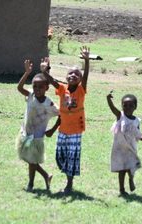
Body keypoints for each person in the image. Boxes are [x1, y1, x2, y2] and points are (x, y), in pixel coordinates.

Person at [41, 46, 90, 194]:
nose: (73, 75)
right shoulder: (62, 89)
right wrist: (44, 71)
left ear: (80, 79)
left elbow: (86, 75)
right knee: (59, 155)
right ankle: (67, 172)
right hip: (63, 130)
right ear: (66, 77)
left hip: (76, 130)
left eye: (77, 74)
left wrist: (86, 61)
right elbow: (52, 81)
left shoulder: (81, 90)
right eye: (70, 73)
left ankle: (69, 184)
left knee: (71, 156)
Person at [16, 59, 60, 192]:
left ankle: (31, 184)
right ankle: (46, 176)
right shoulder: (30, 95)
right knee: (30, 160)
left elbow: (61, 115)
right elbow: (19, 88)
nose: (37, 89)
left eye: (40, 87)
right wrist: (27, 73)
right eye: (35, 86)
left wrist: (52, 129)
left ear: (47, 88)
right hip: (26, 133)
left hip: (37, 137)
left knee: (32, 161)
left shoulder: (49, 103)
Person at [106, 91, 142, 195]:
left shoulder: (136, 121)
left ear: (135, 107)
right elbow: (113, 108)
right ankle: (122, 190)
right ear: (122, 106)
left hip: (131, 148)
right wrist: (108, 99)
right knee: (121, 170)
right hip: (119, 149)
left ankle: (131, 179)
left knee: (131, 168)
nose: (127, 107)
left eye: (131, 105)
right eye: (125, 105)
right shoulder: (120, 116)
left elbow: (138, 134)